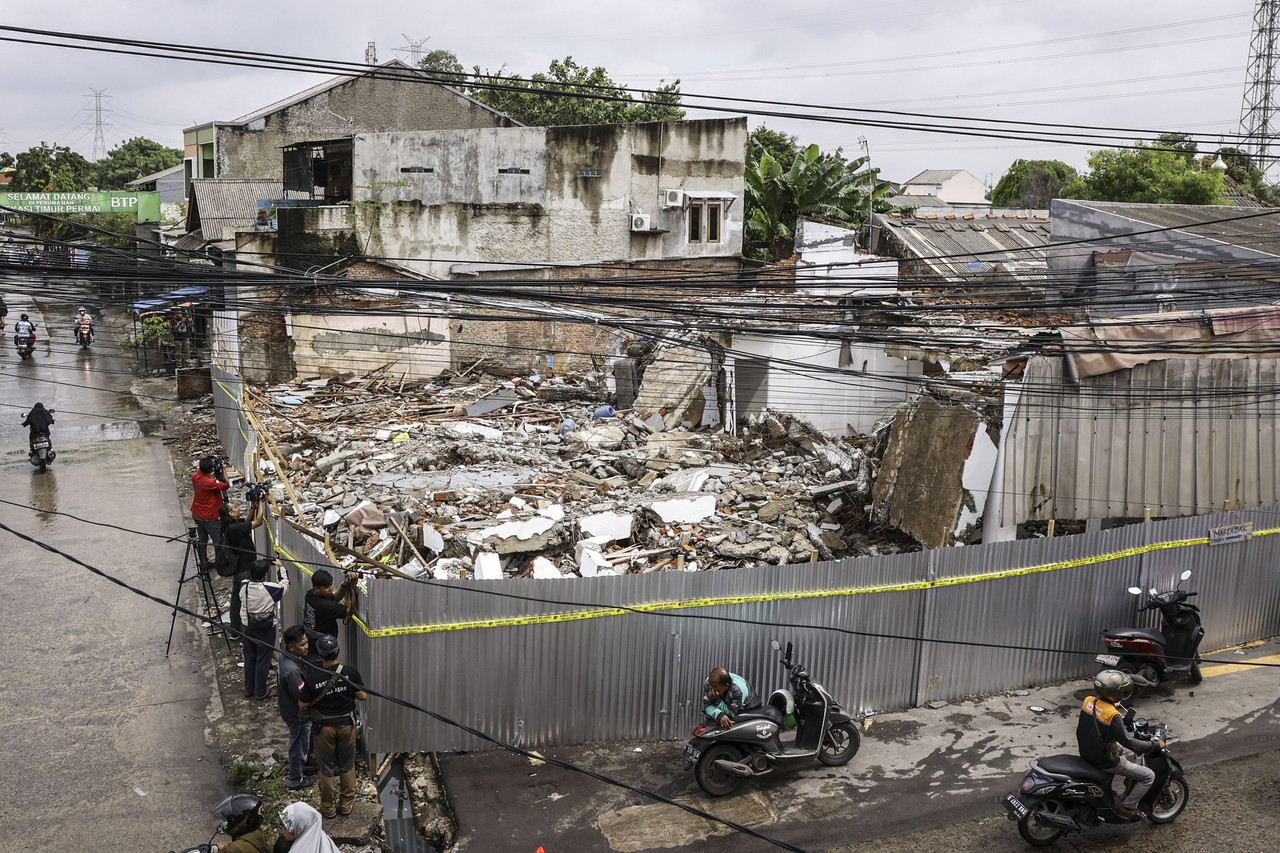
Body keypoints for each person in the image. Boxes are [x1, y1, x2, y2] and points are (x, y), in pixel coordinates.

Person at [1077, 669, 1163, 820]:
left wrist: (1121, 725)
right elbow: (1132, 744)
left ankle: (1107, 790)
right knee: (1148, 776)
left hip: (1086, 751)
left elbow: (1097, 723)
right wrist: (1154, 744)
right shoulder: (1112, 714)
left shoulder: (1088, 701)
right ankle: (1128, 806)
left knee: (1120, 749)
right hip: (1103, 760)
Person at [299, 634, 367, 819]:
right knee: (346, 766)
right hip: (346, 726)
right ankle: (346, 804)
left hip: (324, 730)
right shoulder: (350, 673)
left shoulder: (313, 677)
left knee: (327, 769)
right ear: (337, 651)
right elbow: (363, 696)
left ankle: (328, 809)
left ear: (320, 654)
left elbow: (302, 704)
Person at [239, 557, 290, 700]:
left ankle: (249, 688)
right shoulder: (270, 589)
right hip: (265, 629)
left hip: (247, 626)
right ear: (265, 574)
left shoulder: (243, 585)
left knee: (249, 657)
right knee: (263, 659)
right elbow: (285, 584)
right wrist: (281, 568)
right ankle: (260, 692)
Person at [279, 626, 318, 791]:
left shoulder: (285, 658)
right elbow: (303, 698)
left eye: (307, 642)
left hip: (289, 709)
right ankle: (295, 779)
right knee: (297, 744)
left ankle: (307, 759)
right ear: (291, 647)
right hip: (296, 714)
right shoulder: (292, 671)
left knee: (304, 739)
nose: (307, 647)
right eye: (303, 645)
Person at [221, 498, 265, 637]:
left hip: (240, 568)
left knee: (236, 599)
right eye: (235, 508)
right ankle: (244, 630)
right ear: (230, 513)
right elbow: (258, 522)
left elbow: (247, 521)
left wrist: (253, 507)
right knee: (246, 599)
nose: (238, 509)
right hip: (245, 569)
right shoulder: (234, 528)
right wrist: (262, 502)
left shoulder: (232, 525)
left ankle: (235, 629)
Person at [192, 456, 230, 572]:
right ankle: (220, 564)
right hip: (210, 516)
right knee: (217, 541)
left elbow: (202, 472)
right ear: (211, 469)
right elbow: (225, 484)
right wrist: (223, 470)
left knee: (202, 540)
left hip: (197, 513)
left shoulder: (195, 477)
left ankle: (204, 563)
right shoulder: (210, 482)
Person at [303, 570, 357, 639]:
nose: (331, 588)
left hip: (311, 636)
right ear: (316, 588)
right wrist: (353, 587)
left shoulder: (310, 594)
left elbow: (335, 598)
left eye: (331, 584)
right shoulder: (325, 606)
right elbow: (350, 610)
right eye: (326, 587)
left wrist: (344, 585)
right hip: (322, 644)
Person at [273, 802, 340, 853]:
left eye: (287, 827)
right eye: (282, 825)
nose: (283, 830)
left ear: (300, 827)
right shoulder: (321, 838)